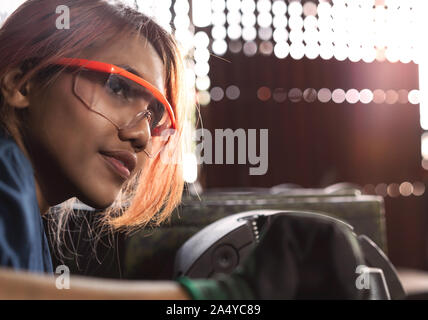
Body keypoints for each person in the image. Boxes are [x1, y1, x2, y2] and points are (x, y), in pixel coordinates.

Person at [0, 0, 366, 300]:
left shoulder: (32, 222)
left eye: (154, 114)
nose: (142, 135)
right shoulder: (6, 166)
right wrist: (217, 298)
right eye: (118, 87)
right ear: (22, 83)